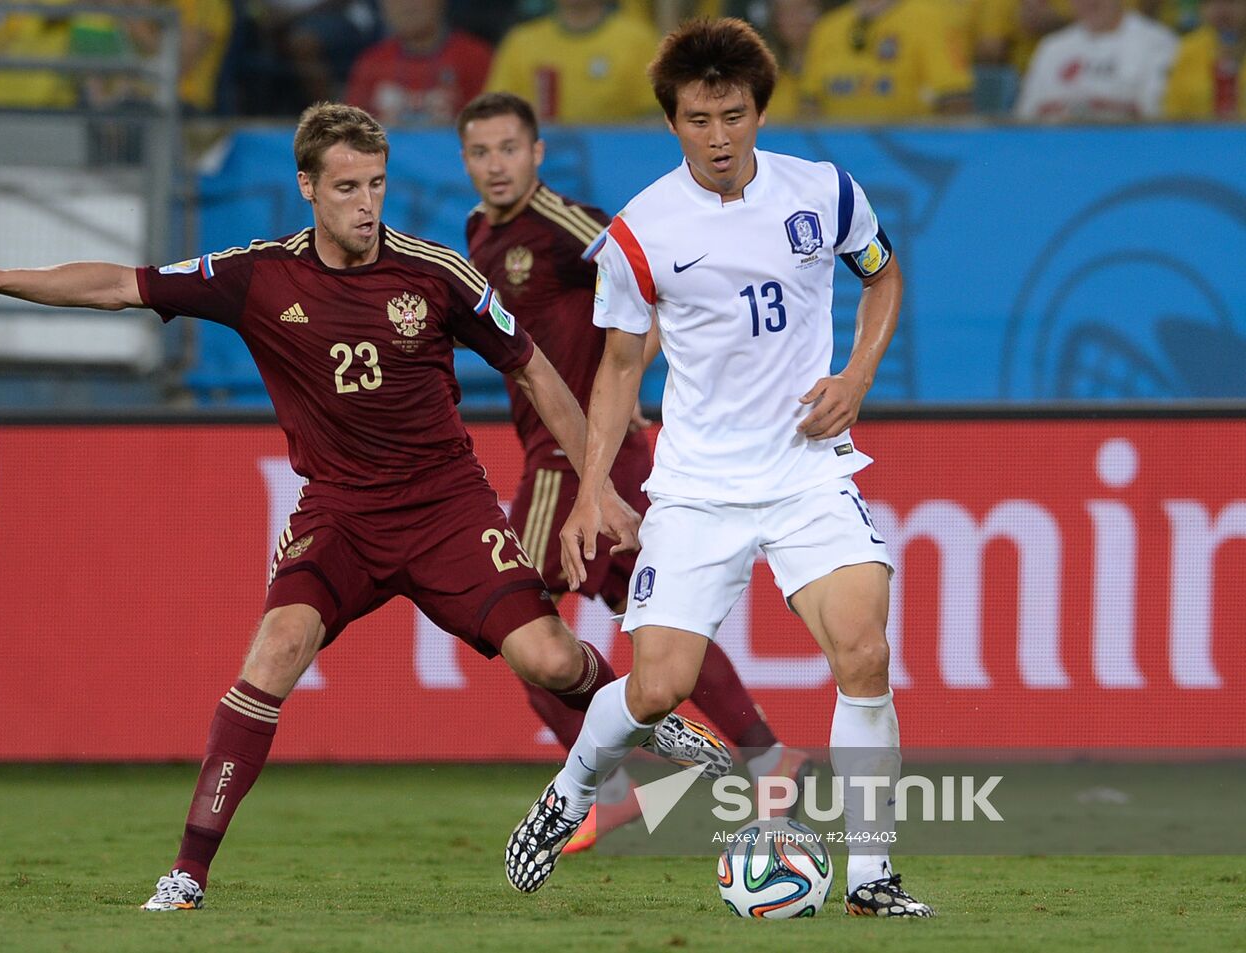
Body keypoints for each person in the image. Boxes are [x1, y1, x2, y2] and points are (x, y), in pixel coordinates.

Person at [0, 102, 729, 912]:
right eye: (347, 187)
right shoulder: (259, 275)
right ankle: (186, 874)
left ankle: (645, 716)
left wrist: (591, 486)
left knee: (551, 662)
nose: (366, 203)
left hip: (448, 507)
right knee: (274, 652)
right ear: (307, 187)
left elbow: (533, 369)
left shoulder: (437, 272)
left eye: (377, 184)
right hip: (340, 513)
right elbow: (121, 285)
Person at [503, 18, 934, 918]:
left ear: (759, 111)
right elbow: (620, 364)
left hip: (809, 471)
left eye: (733, 114)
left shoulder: (827, 193)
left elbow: (883, 277)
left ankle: (873, 878)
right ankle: (571, 791)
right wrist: (592, 486)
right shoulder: (641, 230)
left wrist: (856, 376)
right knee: (658, 686)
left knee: (865, 650)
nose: (719, 135)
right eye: (699, 118)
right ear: (673, 123)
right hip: (697, 487)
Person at [457, 90, 811, 853]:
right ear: (466, 161)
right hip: (568, 451)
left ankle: (605, 787)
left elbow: (645, 280)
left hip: (576, 454)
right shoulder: (479, 232)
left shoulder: (566, 228)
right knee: (657, 616)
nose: (496, 165)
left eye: (509, 149)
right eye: (481, 152)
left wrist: (634, 387)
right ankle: (767, 756)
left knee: (511, 612)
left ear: (538, 151)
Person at [483, 0, 658, 123]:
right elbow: (494, 112)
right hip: (542, 160)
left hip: (616, 161)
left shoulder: (638, 40)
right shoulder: (521, 41)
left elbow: (655, 117)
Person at [799, 0, 973, 120]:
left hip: (907, 152)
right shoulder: (828, 27)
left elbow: (955, 99)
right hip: (838, 151)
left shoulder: (930, 19)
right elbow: (810, 102)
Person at [1015, 0, 1179, 120]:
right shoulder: (1052, 47)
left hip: (1126, 150)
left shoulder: (1157, 41)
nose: (1089, 2)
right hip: (1055, 150)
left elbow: (1157, 116)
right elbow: (1026, 115)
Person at [345, 0, 493, 126]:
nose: (407, 5)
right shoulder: (371, 61)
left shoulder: (475, 57)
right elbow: (351, 130)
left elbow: (491, 125)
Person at [1162, 0, 1246, 119]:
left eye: (1231, 2)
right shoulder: (1189, 48)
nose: (1222, 10)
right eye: (1213, 2)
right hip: (1198, 135)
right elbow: (1172, 110)